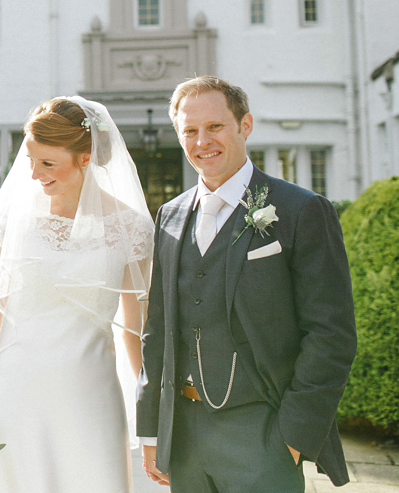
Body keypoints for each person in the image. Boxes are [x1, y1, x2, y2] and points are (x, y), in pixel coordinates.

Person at [136, 76, 356, 491]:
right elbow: (157, 330)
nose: (203, 141)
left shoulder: (302, 210)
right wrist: (151, 430)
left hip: (264, 432)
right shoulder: (169, 215)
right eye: (190, 130)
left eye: (215, 126)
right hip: (184, 435)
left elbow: (331, 334)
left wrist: (293, 437)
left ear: (245, 125)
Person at [0, 96, 154, 492]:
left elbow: (135, 328)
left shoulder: (130, 228)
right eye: (30, 160)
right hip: (17, 395)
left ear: (85, 158)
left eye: (47, 163)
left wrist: (151, 418)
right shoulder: (15, 220)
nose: (34, 175)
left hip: (89, 395)